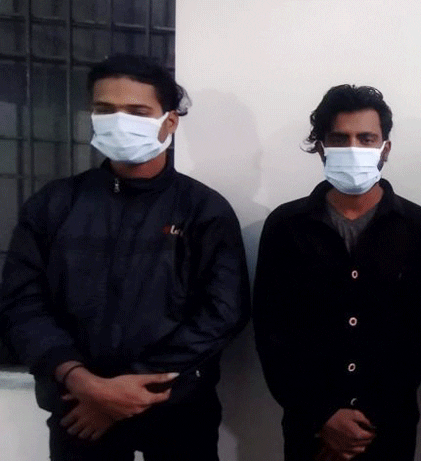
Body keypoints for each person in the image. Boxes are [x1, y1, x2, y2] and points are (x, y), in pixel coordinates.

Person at [0, 54, 250, 460]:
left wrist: (130, 389)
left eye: (137, 112)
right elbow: (22, 303)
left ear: (169, 122)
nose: (119, 121)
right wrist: (83, 382)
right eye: (105, 110)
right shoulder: (53, 205)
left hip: (178, 411)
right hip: (79, 409)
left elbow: (222, 312)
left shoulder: (204, 210)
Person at [254, 84, 421, 461]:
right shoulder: (285, 226)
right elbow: (272, 330)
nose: (353, 148)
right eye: (340, 139)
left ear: (385, 148)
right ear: (321, 147)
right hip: (309, 429)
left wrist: (371, 416)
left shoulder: (420, 228)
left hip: (389, 427)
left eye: (366, 138)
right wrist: (322, 414)